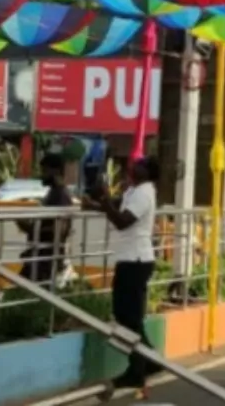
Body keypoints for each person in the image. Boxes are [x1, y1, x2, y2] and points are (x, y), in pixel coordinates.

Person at [83, 157, 159, 390]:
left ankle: (136, 371)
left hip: (136, 260)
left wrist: (104, 200)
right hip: (129, 259)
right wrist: (95, 204)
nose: (133, 166)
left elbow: (123, 221)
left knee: (128, 318)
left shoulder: (144, 193)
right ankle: (151, 361)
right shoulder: (134, 191)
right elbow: (116, 207)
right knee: (126, 316)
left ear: (148, 172)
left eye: (140, 164)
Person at [18, 153, 73, 285]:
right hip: (40, 255)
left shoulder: (60, 195)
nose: (41, 175)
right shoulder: (54, 193)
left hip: (46, 258)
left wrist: (31, 228)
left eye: (44, 171)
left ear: (56, 171)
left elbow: (59, 229)